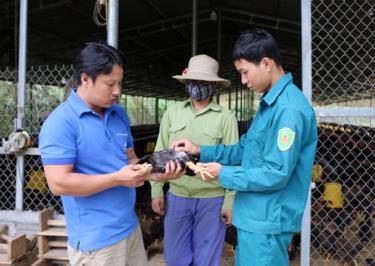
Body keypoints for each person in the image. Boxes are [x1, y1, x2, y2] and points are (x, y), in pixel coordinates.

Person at [172, 29, 318, 266]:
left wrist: (223, 174)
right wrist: (200, 150)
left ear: (266, 63)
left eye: (245, 72)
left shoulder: (289, 109)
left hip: (267, 221)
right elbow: (244, 150)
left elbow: (276, 173)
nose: (243, 80)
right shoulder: (270, 104)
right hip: (254, 218)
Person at [39, 42, 184, 266]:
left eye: (119, 83)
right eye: (110, 84)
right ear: (85, 79)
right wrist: (116, 178)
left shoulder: (118, 114)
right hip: (96, 242)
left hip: (129, 227)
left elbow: (131, 161)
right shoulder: (61, 123)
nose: (117, 91)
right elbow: (59, 183)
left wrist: (155, 174)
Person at [150, 54, 239, 266]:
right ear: (187, 82)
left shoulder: (225, 117)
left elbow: (233, 160)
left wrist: (229, 202)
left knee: (206, 259)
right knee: (174, 258)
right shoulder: (172, 113)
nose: (198, 86)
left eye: (204, 82)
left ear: (213, 85)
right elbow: (159, 153)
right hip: (178, 195)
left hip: (212, 198)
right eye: (194, 81)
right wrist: (156, 191)